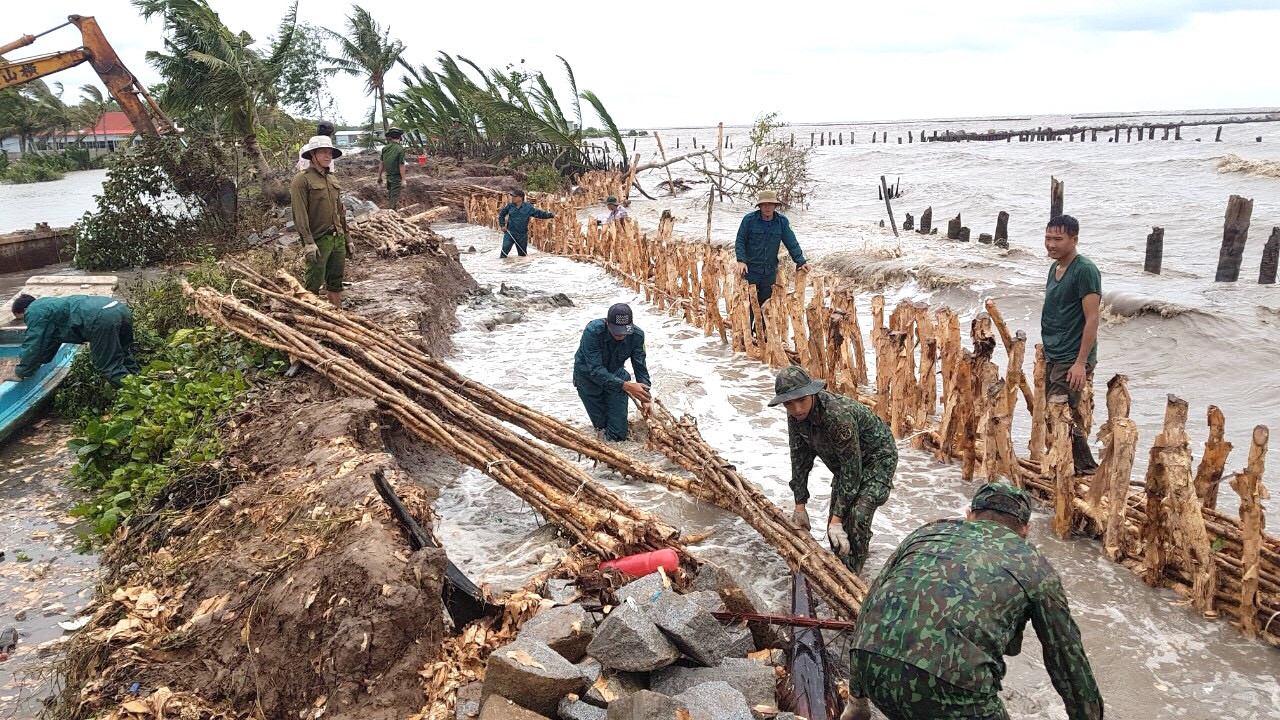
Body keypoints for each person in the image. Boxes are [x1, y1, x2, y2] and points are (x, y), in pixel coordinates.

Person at [843, 482, 1103, 720]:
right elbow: (1068, 660)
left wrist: (857, 699)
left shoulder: (927, 532)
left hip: (870, 665)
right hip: (950, 691)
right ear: (1025, 530)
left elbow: (871, 603)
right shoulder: (1035, 566)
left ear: (970, 515)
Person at [770, 365, 896, 573]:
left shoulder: (838, 416)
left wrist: (838, 520)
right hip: (844, 463)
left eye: (801, 400)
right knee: (835, 530)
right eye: (789, 404)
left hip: (877, 459)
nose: (797, 409)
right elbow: (799, 458)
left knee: (858, 516)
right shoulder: (796, 417)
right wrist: (800, 506)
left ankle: (854, 577)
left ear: (812, 393)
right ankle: (847, 560)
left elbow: (852, 469)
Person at [1042, 214, 1101, 475]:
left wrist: (1080, 363)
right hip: (1055, 353)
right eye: (1047, 238)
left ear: (1074, 240)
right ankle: (1073, 468)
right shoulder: (1054, 268)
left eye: (1058, 239)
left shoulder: (1084, 270)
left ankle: (1084, 470)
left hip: (1071, 356)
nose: (1051, 244)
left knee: (1062, 413)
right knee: (1059, 413)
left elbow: (1092, 318)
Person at [6, 293, 140, 387]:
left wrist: (20, 372)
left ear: (24, 310)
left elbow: (34, 344)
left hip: (101, 318)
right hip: (119, 308)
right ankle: (142, 384)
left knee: (108, 365)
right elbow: (51, 342)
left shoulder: (34, 311)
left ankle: (136, 397)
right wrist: (37, 363)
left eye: (22, 318)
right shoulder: (49, 305)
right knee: (123, 353)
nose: (26, 321)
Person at [573, 303, 651, 441]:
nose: (621, 335)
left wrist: (646, 398)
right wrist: (627, 386)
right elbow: (596, 370)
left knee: (617, 435)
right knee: (601, 428)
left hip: (616, 376)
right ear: (607, 323)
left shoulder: (637, 336)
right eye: (616, 330)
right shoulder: (592, 332)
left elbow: (640, 367)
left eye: (624, 330)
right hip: (588, 379)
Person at [735, 190, 809, 335]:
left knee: (766, 305)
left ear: (776, 206)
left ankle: (761, 337)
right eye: (764, 204)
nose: (767, 207)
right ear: (760, 206)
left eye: (770, 204)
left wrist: (800, 261)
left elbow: (791, 243)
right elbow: (740, 241)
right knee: (749, 304)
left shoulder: (782, 222)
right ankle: (746, 338)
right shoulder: (749, 220)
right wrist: (741, 261)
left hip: (769, 271)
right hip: (751, 270)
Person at [291, 135, 352, 309]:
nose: (328, 156)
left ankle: (338, 317)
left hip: (337, 238)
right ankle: (310, 318)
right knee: (313, 284)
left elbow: (340, 211)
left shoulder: (332, 179)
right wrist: (309, 242)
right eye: (323, 152)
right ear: (313, 155)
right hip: (319, 240)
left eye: (330, 153)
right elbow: (299, 213)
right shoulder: (301, 180)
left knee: (335, 282)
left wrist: (347, 238)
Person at [498, 189, 555, 258]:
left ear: (520, 198)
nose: (512, 198)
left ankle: (521, 268)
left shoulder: (528, 207)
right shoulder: (510, 206)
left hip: (522, 235)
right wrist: (502, 225)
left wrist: (552, 215)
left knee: (522, 256)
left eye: (514, 196)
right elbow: (501, 214)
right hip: (510, 233)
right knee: (504, 252)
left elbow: (539, 214)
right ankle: (504, 267)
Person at [378, 127, 409, 210]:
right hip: (396, 177)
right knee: (394, 197)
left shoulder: (385, 148)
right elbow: (401, 165)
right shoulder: (400, 149)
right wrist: (403, 179)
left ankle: (391, 210)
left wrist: (379, 176)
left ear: (390, 137)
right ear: (400, 137)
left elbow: (381, 163)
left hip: (388, 176)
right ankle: (392, 213)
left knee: (391, 194)